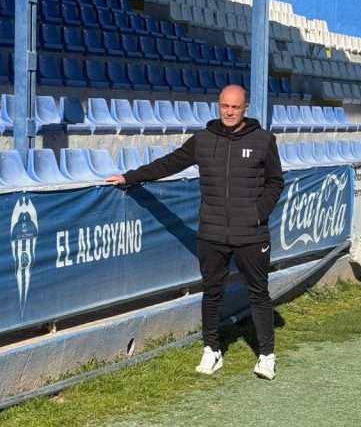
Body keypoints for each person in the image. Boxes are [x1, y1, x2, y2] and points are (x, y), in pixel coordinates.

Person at [105, 85, 284, 379]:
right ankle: (211, 350)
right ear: (218, 106)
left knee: (258, 294)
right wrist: (129, 177)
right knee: (212, 292)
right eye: (224, 106)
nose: (229, 112)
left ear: (245, 108)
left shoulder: (263, 140)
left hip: (251, 234)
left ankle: (266, 354)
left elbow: (276, 182)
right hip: (211, 232)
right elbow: (169, 163)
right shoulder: (202, 139)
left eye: (235, 107)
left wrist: (257, 214)